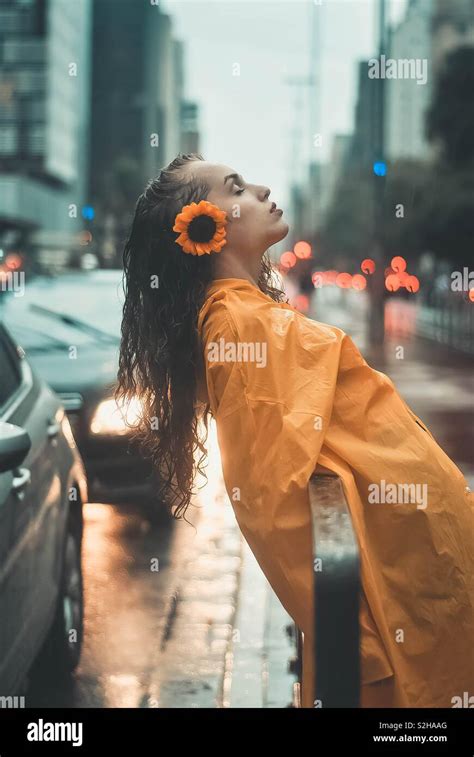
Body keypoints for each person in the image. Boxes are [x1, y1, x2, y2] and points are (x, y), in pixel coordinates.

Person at [116, 152, 474, 708]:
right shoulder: (236, 328)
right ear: (207, 229)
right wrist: (353, 648)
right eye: (236, 188)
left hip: (423, 567)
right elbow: (273, 503)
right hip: (403, 594)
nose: (260, 189)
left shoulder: (248, 315)